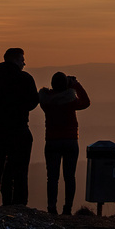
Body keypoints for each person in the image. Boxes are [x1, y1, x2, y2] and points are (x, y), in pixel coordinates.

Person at [0, 47, 38, 206]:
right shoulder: (25, 79)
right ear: (16, 60)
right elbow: (32, 102)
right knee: (19, 172)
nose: (24, 63)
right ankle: (18, 204)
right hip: (19, 131)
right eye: (22, 60)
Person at [37, 72, 91, 215]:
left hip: (52, 141)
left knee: (52, 178)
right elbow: (86, 102)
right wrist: (75, 85)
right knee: (69, 176)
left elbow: (48, 96)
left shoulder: (46, 101)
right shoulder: (70, 101)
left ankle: (51, 207)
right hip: (70, 141)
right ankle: (67, 208)